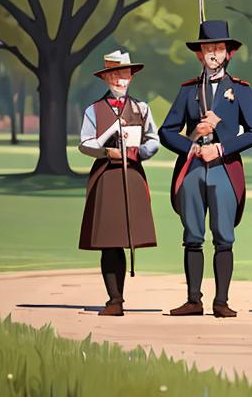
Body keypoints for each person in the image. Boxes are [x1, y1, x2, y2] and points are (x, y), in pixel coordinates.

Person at [159, 20, 252, 318]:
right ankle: (193, 300)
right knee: (192, 233)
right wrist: (191, 144)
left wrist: (221, 146)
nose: (213, 53)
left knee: (223, 235)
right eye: (208, 48)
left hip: (224, 168)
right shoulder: (188, 90)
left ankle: (221, 301)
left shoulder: (240, 90)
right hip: (192, 167)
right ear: (199, 54)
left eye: (219, 48)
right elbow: (167, 131)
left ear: (229, 53)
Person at [78, 49, 159, 316]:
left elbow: (153, 141)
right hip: (106, 177)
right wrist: (105, 151)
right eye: (114, 74)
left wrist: (139, 153)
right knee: (109, 240)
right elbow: (85, 143)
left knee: (128, 236)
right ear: (106, 78)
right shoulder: (94, 110)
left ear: (131, 77)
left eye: (123, 73)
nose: (119, 79)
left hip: (132, 175)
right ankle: (115, 299)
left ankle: (117, 297)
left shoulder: (142, 108)